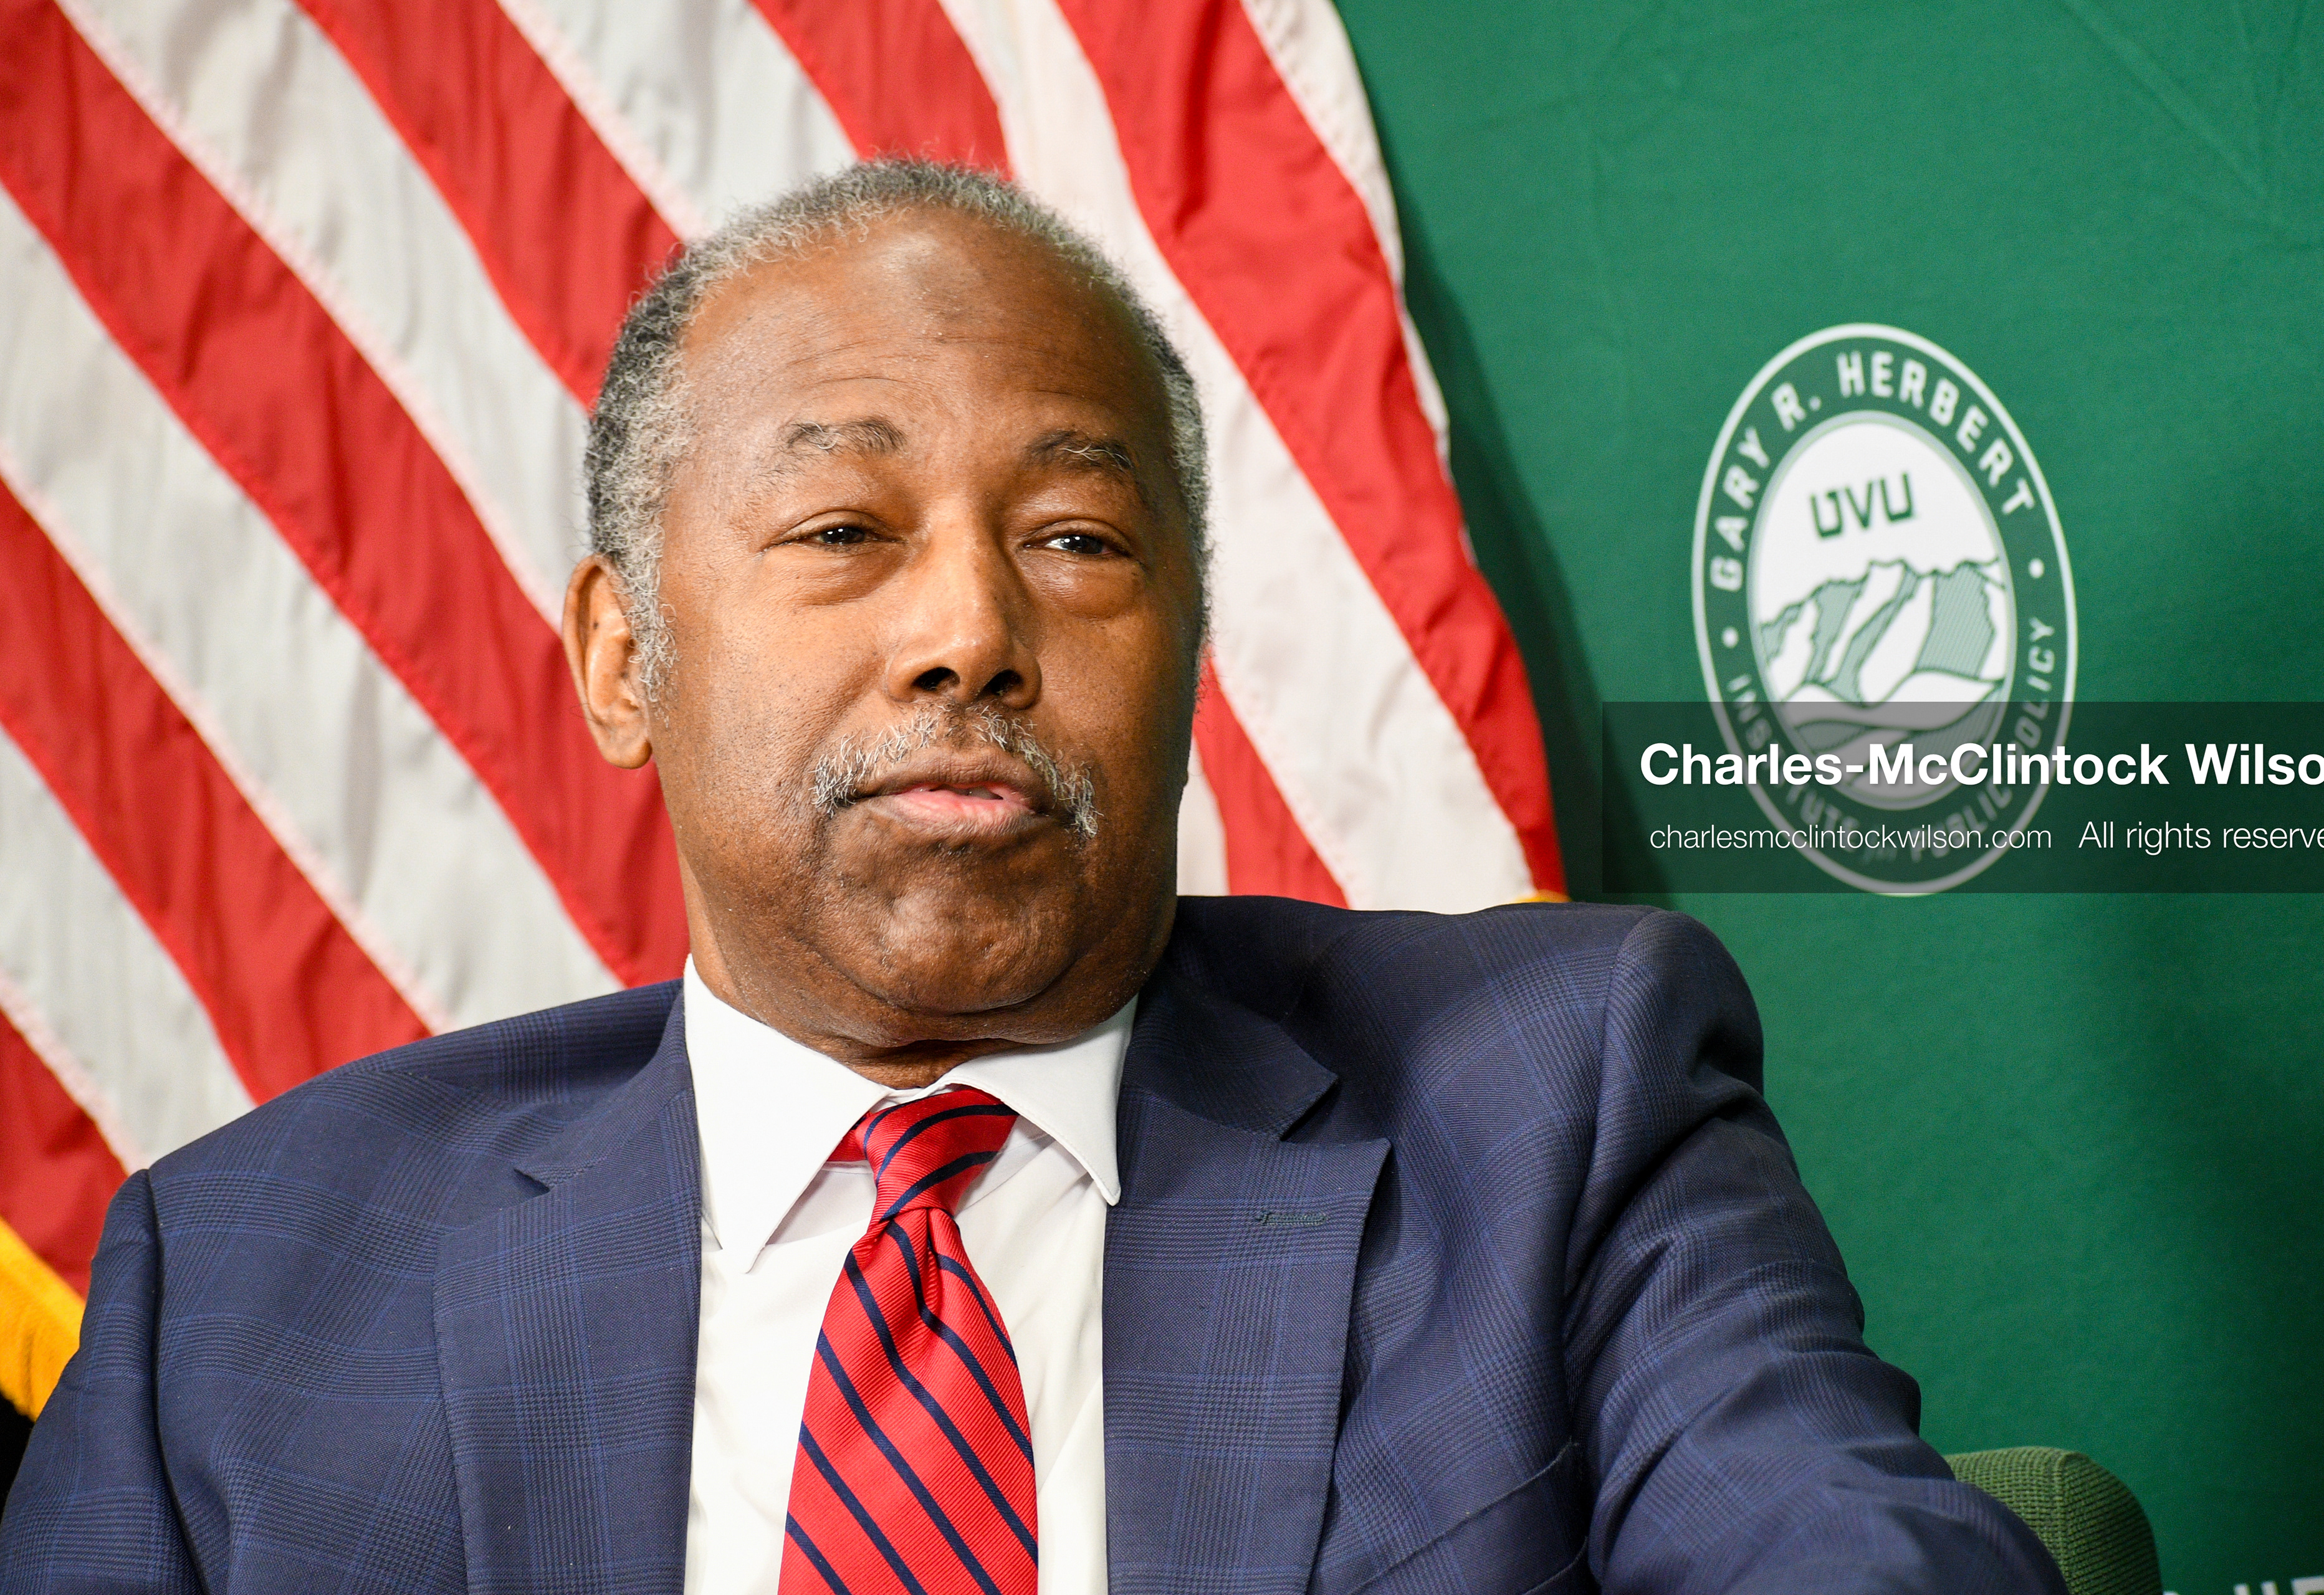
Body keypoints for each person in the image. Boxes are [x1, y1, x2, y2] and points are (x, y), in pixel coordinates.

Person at [0, 161, 2063, 1594]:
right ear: (624, 660)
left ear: (1184, 642)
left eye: (1078, 540)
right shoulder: (244, 1286)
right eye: (842, 534)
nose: (971, 629)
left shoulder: (1557, 1100)